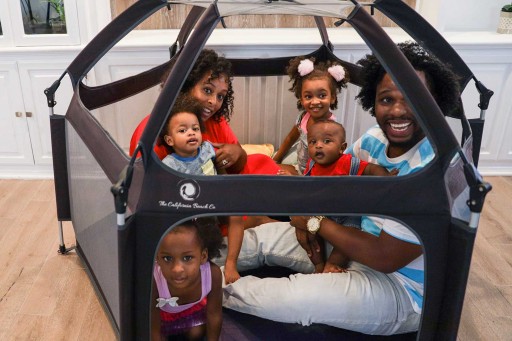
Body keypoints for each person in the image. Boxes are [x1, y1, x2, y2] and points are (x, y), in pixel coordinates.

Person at [222, 41, 461, 335]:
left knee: (292, 297)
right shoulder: (374, 138)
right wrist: (302, 218)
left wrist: (313, 221)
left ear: (435, 103)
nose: (398, 111)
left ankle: (201, 288)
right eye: (387, 99)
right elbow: (334, 182)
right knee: (262, 238)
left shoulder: (431, 169)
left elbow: (384, 257)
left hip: (398, 288)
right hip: (353, 241)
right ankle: (185, 263)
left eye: (412, 98)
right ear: (374, 101)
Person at [130, 49, 281, 175]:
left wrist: (238, 154)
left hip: (226, 185)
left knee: (267, 165)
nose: (214, 102)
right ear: (186, 85)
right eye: (207, 90)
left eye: (220, 96)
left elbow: (237, 167)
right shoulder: (152, 131)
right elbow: (146, 191)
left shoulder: (215, 120)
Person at [159, 94, 246, 285]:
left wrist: (227, 190)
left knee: (237, 214)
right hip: (194, 209)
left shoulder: (207, 149)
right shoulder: (170, 164)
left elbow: (220, 170)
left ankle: (231, 263)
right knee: (195, 231)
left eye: (195, 129)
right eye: (183, 130)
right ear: (170, 140)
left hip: (216, 198)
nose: (191, 133)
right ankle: (203, 263)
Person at [303, 119, 396, 273]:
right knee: (311, 238)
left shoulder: (347, 162)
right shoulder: (311, 165)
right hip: (322, 213)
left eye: (327, 141)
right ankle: (318, 265)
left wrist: (386, 179)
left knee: (347, 242)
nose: (318, 145)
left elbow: (371, 169)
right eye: (313, 142)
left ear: (342, 147)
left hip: (347, 214)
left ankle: (333, 264)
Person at [273, 56, 349, 175]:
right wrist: (275, 159)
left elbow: (328, 166)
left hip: (315, 175)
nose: (315, 102)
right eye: (308, 96)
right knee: (269, 168)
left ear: (333, 97)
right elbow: (290, 138)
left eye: (322, 95)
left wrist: (296, 178)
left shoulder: (331, 128)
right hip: (300, 167)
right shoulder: (303, 118)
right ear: (301, 99)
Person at [152, 217, 224, 340]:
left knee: (195, 333)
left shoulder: (213, 274)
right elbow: (153, 327)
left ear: (203, 256)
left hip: (191, 315)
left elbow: (214, 315)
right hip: (162, 319)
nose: (177, 269)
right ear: (157, 258)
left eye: (187, 258)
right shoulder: (154, 280)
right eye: (167, 258)